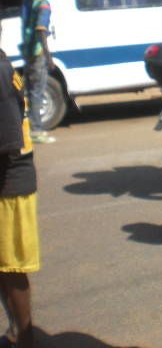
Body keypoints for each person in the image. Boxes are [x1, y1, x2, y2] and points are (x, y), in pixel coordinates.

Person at [0, 49, 40, 348]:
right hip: (9, 180)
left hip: (9, 185)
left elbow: (8, 141)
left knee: (11, 268)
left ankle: (25, 336)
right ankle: (17, 332)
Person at [15, 0, 55, 144]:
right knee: (37, 91)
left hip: (27, 52)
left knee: (30, 91)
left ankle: (28, 127)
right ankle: (37, 131)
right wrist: (49, 58)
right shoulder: (43, 5)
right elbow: (41, 32)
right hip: (38, 54)